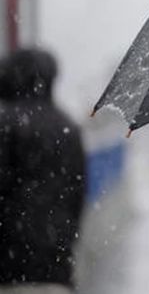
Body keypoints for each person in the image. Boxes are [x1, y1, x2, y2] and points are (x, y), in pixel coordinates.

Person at [0, 48, 86, 293]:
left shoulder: (7, 124)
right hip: (57, 269)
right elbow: (77, 197)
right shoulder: (68, 126)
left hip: (10, 268)